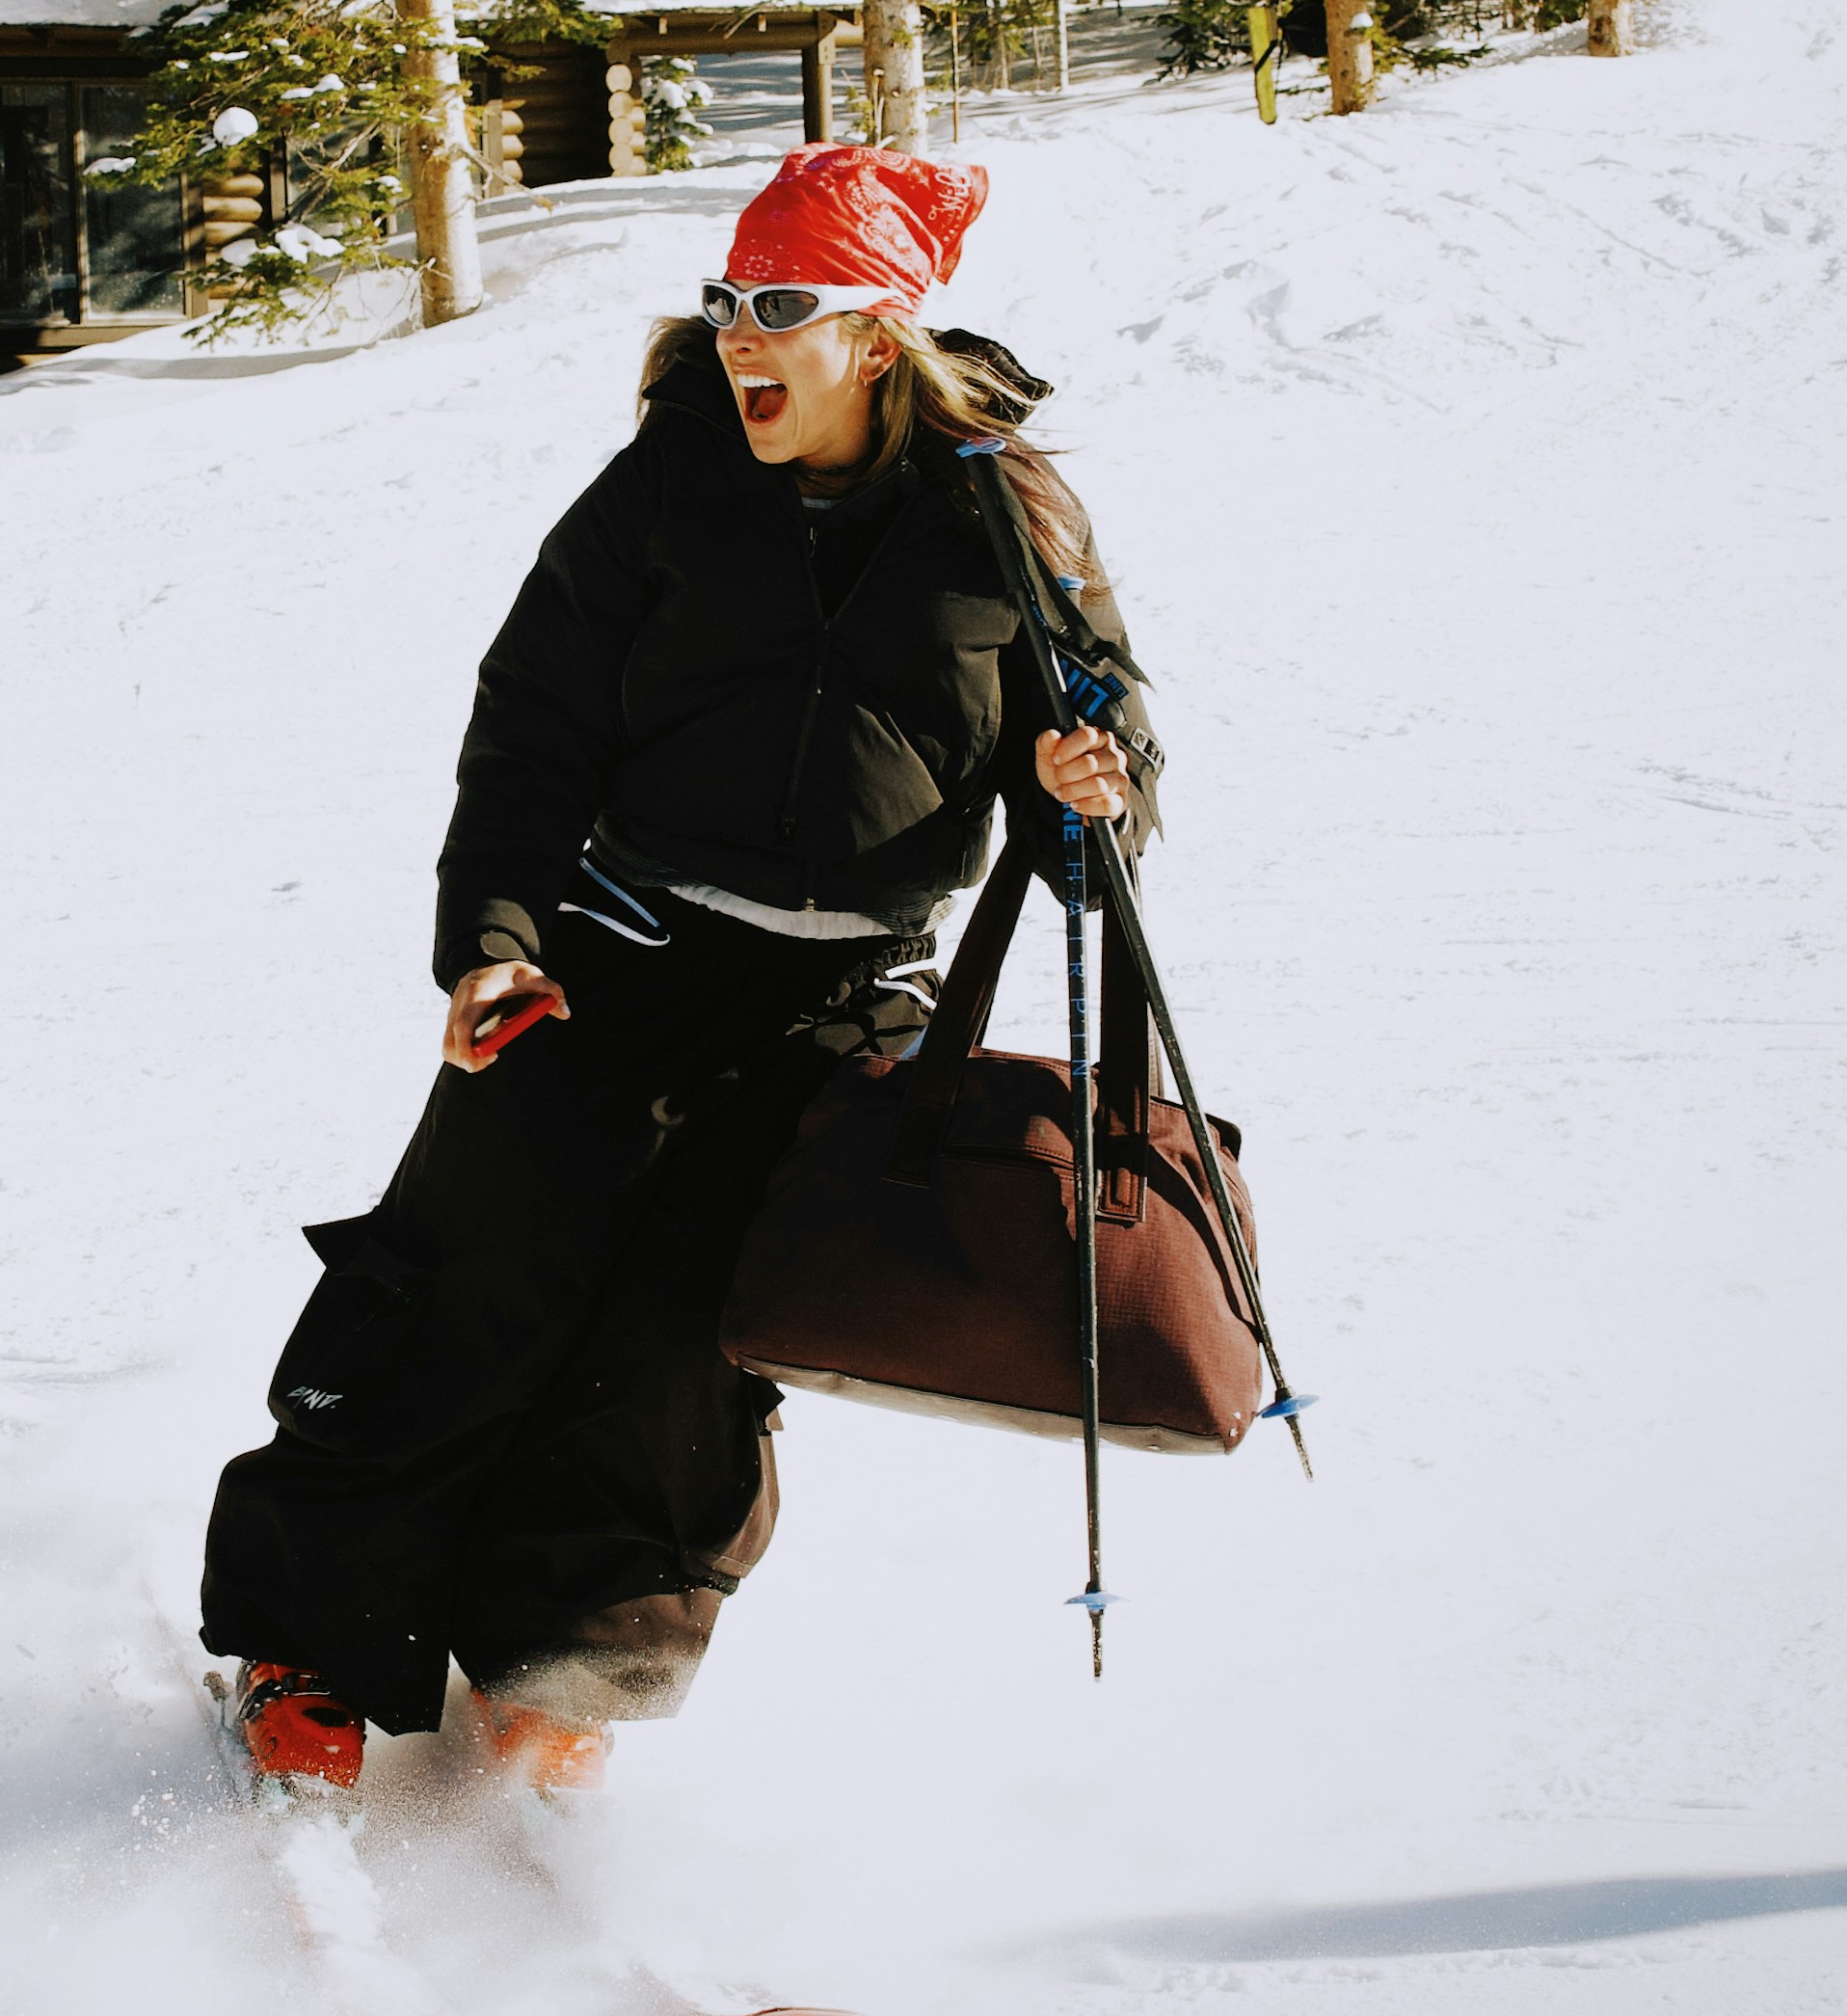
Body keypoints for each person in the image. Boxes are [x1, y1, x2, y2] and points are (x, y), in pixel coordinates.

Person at [201, 142, 1158, 1809]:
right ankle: (307, 1650)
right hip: (614, 955)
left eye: (779, 303)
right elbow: (533, 723)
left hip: (840, 1002)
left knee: (687, 1351)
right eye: (726, 300)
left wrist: (1092, 803)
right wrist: (493, 935)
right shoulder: (666, 485)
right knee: (467, 1283)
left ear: (876, 333)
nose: (737, 334)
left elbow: (1098, 749)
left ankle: (561, 1667)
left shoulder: (1004, 513)